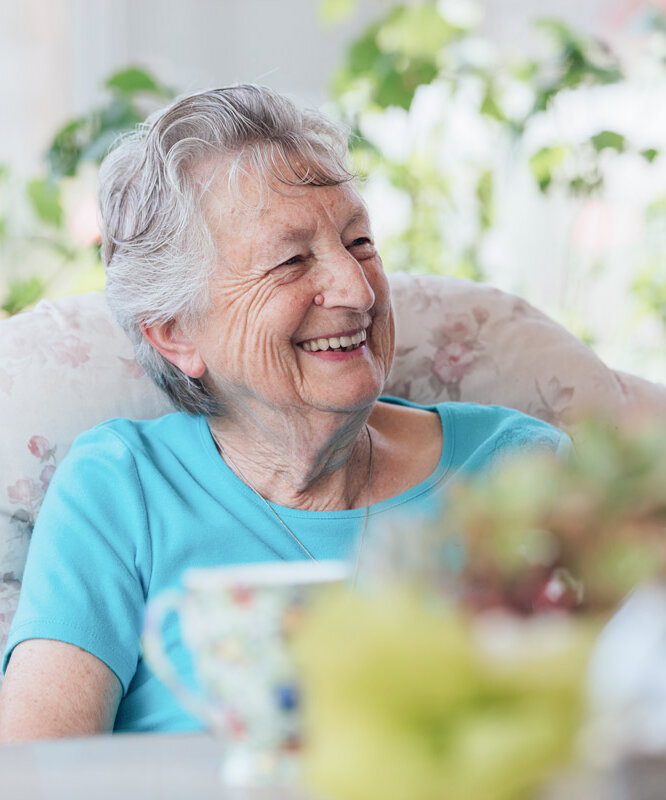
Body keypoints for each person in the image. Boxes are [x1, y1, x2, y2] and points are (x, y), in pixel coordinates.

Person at [0, 85, 569, 740]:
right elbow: (40, 772)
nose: (357, 291)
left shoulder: (522, 470)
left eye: (359, 243)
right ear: (175, 333)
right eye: (291, 259)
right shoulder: (120, 488)